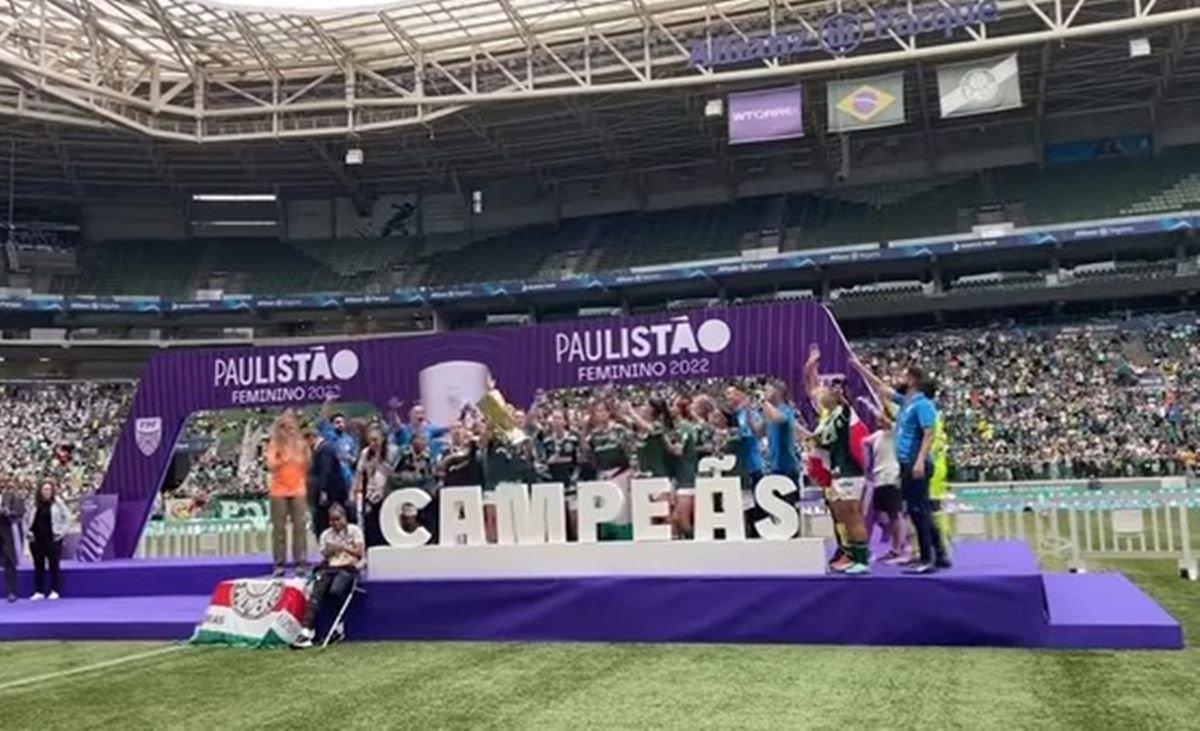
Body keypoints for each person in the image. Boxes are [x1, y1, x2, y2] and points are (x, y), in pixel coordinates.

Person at [852, 359, 950, 573]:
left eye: (905, 375)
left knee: (918, 511)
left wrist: (919, 461)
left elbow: (929, 432)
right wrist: (860, 368)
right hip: (907, 463)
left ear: (913, 380)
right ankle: (940, 554)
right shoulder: (908, 402)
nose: (900, 379)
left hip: (916, 463)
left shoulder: (923, 404)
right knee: (920, 510)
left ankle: (927, 558)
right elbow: (881, 387)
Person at [808, 345, 870, 574]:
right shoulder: (828, 419)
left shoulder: (844, 412)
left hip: (850, 471)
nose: (819, 393)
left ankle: (862, 560)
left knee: (852, 515)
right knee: (843, 517)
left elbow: (842, 401)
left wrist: (841, 387)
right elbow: (822, 442)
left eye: (824, 392)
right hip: (837, 471)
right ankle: (852, 555)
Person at [295, 503, 364, 649]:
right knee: (316, 594)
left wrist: (342, 547)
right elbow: (324, 555)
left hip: (348, 568)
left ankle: (338, 627)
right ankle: (306, 632)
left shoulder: (354, 531)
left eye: (338, 519)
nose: (336, 523)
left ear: (344, 518)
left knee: (336, 590)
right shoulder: (326, 535)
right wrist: (330, 550)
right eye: (332, 520)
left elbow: (359, 553)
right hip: (330, 567)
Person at [266, 412, 311, 577]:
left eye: (292, 427)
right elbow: (271, 465)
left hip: (298, 489)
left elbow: (307, 464)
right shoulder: (274, 445)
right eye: (285, 428)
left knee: (300, 527)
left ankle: (300, 561)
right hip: (278, 491)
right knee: (279, 529)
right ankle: (279, 564)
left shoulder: (302, 445)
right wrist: (284, 458)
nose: (289, 431)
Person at [861, 400, 906, 563]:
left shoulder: (895, 432)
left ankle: (898, 548)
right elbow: (863, 441)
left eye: (882, 417)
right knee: (881, 516)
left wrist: (870, 406)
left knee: (895, 514)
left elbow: (888, 421)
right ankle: (895, 542)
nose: (879, 420)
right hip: (879, 478)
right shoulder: (877, 435)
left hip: (891, 476)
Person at [355, 424, 399, 548]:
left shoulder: (392, 451)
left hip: (387, 493)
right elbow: (359, 473)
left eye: (375, 440)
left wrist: (380, 459)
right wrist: (355, 492)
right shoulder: (365, 453)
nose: (373, 443)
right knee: (370, 525)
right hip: (370, 493)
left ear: (382, 439)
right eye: (370, 440)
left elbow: (394, 472)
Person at [26, 481, 70, 600]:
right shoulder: (33, 504)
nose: (47, 492)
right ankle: (39, 591)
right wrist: (28, 533)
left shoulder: (58, 503)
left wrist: (61, 532)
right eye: (44, 489)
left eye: (49, 490)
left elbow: (67, 517)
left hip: (53, 539)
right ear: (40, 491)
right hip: (36, 540)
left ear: (52, 491)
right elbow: (26, 519)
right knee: (38, 566)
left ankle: (55, 590)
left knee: (53, 565)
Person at [308, 425, 351, 541]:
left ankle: (330, 547)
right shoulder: (322, 449)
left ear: (312, 437)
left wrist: (323, 491)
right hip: (329, 492)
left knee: (325, 522)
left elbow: (325, 472)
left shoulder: (325, 449)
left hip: (331, 493)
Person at [0, 481, 23, 603]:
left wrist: (8, 513)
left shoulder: (11, 496)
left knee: (9, 564)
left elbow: (19, 512)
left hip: (6, 535)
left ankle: (12, 591)